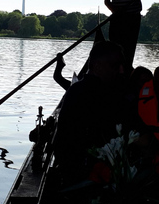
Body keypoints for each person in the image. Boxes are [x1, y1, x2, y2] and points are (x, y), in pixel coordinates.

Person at [53, 41, 128, 185]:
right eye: (116, 65)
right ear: (98, 67)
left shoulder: (78, 90)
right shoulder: (102, 95)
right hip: (87, 174)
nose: (121, 71)